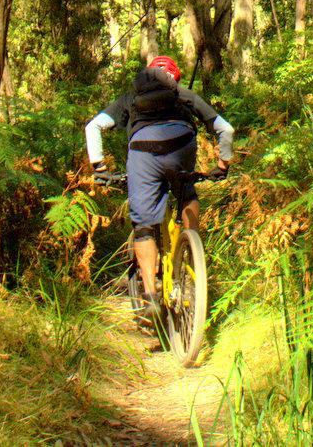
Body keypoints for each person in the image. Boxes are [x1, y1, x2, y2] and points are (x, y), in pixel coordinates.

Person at [84, 55, 235, 309]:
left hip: (143, 152)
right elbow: (226, 129)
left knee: (143, 225)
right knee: (186, 191)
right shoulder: (184, 95)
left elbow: (94, 127)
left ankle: (151, 295)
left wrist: (99, 168)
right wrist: (223, 165)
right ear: (174, 78)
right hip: (181, 146)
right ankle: (191, 249)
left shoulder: (130, 97)